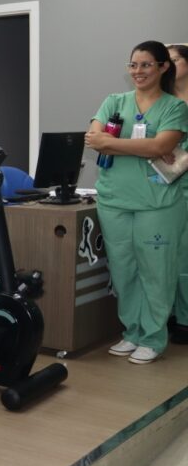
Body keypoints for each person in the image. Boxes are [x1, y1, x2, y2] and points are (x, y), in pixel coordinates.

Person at [85, 40, 188, 365]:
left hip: (157, 204)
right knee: (123, 270)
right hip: (114, 200)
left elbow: (160, 147)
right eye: (133, 65)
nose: (138, 71)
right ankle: (132, 332)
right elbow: (93, 139)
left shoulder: (175, 107)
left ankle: (153, 337)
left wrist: (114, 143)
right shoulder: (114, 101)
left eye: (146, 65)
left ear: (163, 67)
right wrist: (142, 146)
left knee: (156, 272)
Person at [167, 43, 188, 345]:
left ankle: (185, 318)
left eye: (173, 60)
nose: (168, 66)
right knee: (167, 254)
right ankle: (170, 314)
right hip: (164, 185)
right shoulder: (164, 102)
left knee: (185, 255)